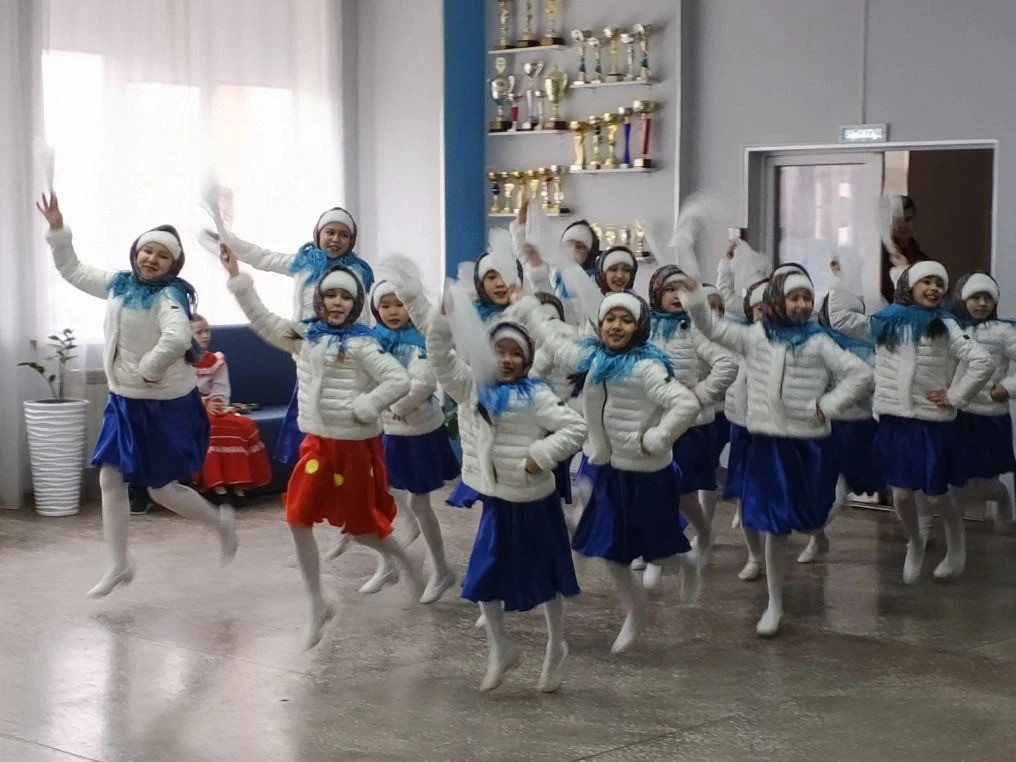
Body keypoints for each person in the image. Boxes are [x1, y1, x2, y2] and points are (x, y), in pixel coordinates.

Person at [38, 192, 238, 598]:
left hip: (163, 403)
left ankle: (220, 523)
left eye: (162, 256)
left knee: (161, 488)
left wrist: (149, 368)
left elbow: (177, 336)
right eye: (147, 251)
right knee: (110, 478)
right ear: (136, 252)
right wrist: (57, 230)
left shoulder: (169, 296)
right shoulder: (118, 284)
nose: (151, 259)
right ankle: (119, 564)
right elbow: (73, 270)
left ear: (172, 265)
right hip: (124, 399)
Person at [223, 251, 421, 649]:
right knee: (297, 518)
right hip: (316, 442)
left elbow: (399, 380)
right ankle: (317, 603)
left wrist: (365, 406)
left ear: (355, 304)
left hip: (353, 448)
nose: (336, 302)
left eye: (345, 297)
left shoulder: (364, 344)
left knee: (361, 529)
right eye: (330, 295)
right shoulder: (303, 335)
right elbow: (263, 321)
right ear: (318, 299)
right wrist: (238, 279)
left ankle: (403, 559)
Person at [682, 268, 873, 637]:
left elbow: (861, 375)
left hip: (808, 445)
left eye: (806, 298)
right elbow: (713, 330)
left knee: (809, 516)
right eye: (793, 297)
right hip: (768, 445)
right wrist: (695, 300)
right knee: (774, 525)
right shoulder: (756, 337)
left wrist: (829, 404)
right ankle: (774, 602)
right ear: (776, 301)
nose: (800, 304)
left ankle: (818, 535)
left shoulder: (819, 342)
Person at [513, 289, 702, 654]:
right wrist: (529, 308)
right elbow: (553, 340)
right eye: (610, 319)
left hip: (646, 474)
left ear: (639, 327)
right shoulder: (593, 357)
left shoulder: (647, 367)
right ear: (600, 324)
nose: (616, 326)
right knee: (610, 550)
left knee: (657, 550)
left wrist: (656, 438)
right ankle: (636, 611)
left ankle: (687, 562)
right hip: (606, 470)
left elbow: (686, 404)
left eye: (626, 320)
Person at [869, 261, 994, 584]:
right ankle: (915, 542)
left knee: (937, 494)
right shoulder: (885, 321)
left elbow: (982, 361)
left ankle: (956, 544)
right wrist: (844, 277)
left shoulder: (945, 324)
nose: (934, 288)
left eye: (940, 283)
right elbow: (841, 319)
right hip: (895, 421)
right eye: (927, 281)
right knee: (901, 495)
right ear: (909, 286)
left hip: (931, 423)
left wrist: (956, 396)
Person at [642, 265, 738, 588]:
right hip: (655, 424)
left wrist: (700, 394)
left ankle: (705, 532)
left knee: (683, 493)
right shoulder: (645, 328)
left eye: (681, 290)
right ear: (656, 292)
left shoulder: (695, 328)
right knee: (657, 490)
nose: (675, 296)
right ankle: (657, 553)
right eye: (669, 289)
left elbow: (727, 364)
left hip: (692, 426)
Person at [370, 279, 460, 603]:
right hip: (388, 430)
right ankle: (390, 560)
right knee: (380, 492)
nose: (393, 311)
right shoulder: (374, 339)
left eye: (400, 304)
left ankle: (441, 569)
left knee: (419, 504)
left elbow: (423, 382)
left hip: (418, 431)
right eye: (385, 305)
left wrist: (395, 406)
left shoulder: (420, 338)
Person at [949, 270, 1016, 529]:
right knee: (957, 482)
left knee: (987, 485)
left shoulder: (1004, 331)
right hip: (958, 415)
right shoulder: (951, 329)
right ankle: (955, 538)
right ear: (964, 299)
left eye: (988, 298)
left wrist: (1008, 388)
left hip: (990, 418)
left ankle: (1002, 498)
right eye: (976, 297)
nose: (982, 303)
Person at [190, 315, 272, 507]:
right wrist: (204, 404)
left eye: (207, 331)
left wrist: (216, 403)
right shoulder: (178, 363)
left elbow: (221, 388)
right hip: (189, 408)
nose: (205, 336)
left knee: (241, 424)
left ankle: (238, 484)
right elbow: (182, 391)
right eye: (199, 332)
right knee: (210, 426)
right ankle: (217, 486)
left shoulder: (216, 360)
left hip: (214, 406)